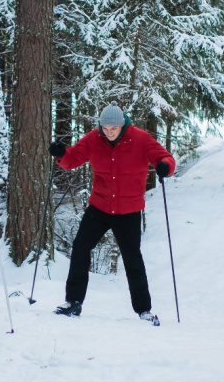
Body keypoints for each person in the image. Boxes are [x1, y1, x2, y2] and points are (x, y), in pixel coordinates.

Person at [49, 103, 175, 323]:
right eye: (105, 129)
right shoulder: (93, 139)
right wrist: (61, 155)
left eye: (113, 129)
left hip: (129, 210)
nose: (108, 133)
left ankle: (143, 310)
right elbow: (72, 159)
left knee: (132, 258)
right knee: (80, 247)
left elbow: (166, 159)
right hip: (100, 206)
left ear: (122, 125)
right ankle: (73, 302)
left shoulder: (140, 139)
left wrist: (165, 166)